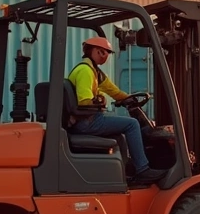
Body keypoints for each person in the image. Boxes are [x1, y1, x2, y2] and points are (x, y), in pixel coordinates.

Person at [68, 36, 166, 185]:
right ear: (98, 51)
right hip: (86, 121)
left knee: (120, 136)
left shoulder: (95, 72)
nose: (107, 56)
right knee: (132, 124)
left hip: (88, 119)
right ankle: (143, 170)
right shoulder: (85, 71)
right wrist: (100, 99)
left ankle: (126, 171)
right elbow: (84, 102)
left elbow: (113, 90)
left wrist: (128, 98)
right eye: (106, 53)